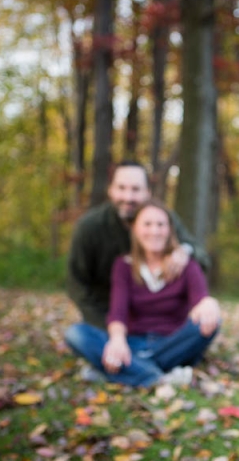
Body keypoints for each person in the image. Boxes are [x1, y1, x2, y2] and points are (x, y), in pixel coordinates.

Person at [64, 199, 221, 387]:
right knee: (76, 334)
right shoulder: (123, 266)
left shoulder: (186, 264)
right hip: (132, 343)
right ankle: (158, 377)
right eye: (147, 224)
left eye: (160, 225)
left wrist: (208, 303)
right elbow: (118, 311)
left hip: (173, 343)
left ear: (170, 229)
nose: (154, 231)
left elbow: (200, 299)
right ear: (135, 229)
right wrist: (117, 341)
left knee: (211, 321)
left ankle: (124, 371)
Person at [66, 160, 210, 331]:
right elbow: (77, 284)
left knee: (203, 325)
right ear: (111, 190)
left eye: (135, 189)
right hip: (106, 316)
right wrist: (108, 328)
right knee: (77, 334)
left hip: (160, 321)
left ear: (147, 193)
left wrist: (185, 251)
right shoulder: (89, 227)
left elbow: (200, 255)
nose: (128, 197)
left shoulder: (161, 219)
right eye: (121, 188)